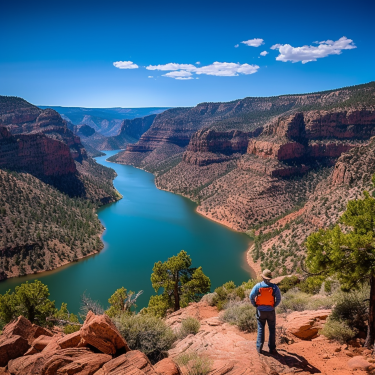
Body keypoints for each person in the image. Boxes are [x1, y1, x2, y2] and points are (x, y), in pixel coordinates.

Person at [250, 269, 281, 355]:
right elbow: (278, 299)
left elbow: (251, 296)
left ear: (263, 277)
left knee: (261, 328)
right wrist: (274, 305)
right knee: (272, 329)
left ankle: (259, 348)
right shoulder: (274, 287)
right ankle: (272, 348)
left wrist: (255, 304)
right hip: (270, 311)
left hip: (260, 311)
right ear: (270, 278)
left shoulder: (258, 286)